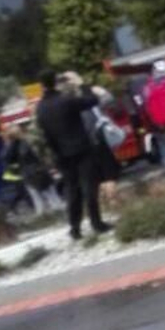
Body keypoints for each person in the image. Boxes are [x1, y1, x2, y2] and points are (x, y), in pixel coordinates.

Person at [35, 70, 111, 239]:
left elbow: (45, 134)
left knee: (72, 190)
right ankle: (96, 223)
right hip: (81, 149)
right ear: (57, 82)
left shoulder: (40, 108)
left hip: (60, 154)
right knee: (89, 187)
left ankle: (74, 228)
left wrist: (55, 154)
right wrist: (80, 83)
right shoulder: (66, 101)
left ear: (41, 86)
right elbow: (92, 100)